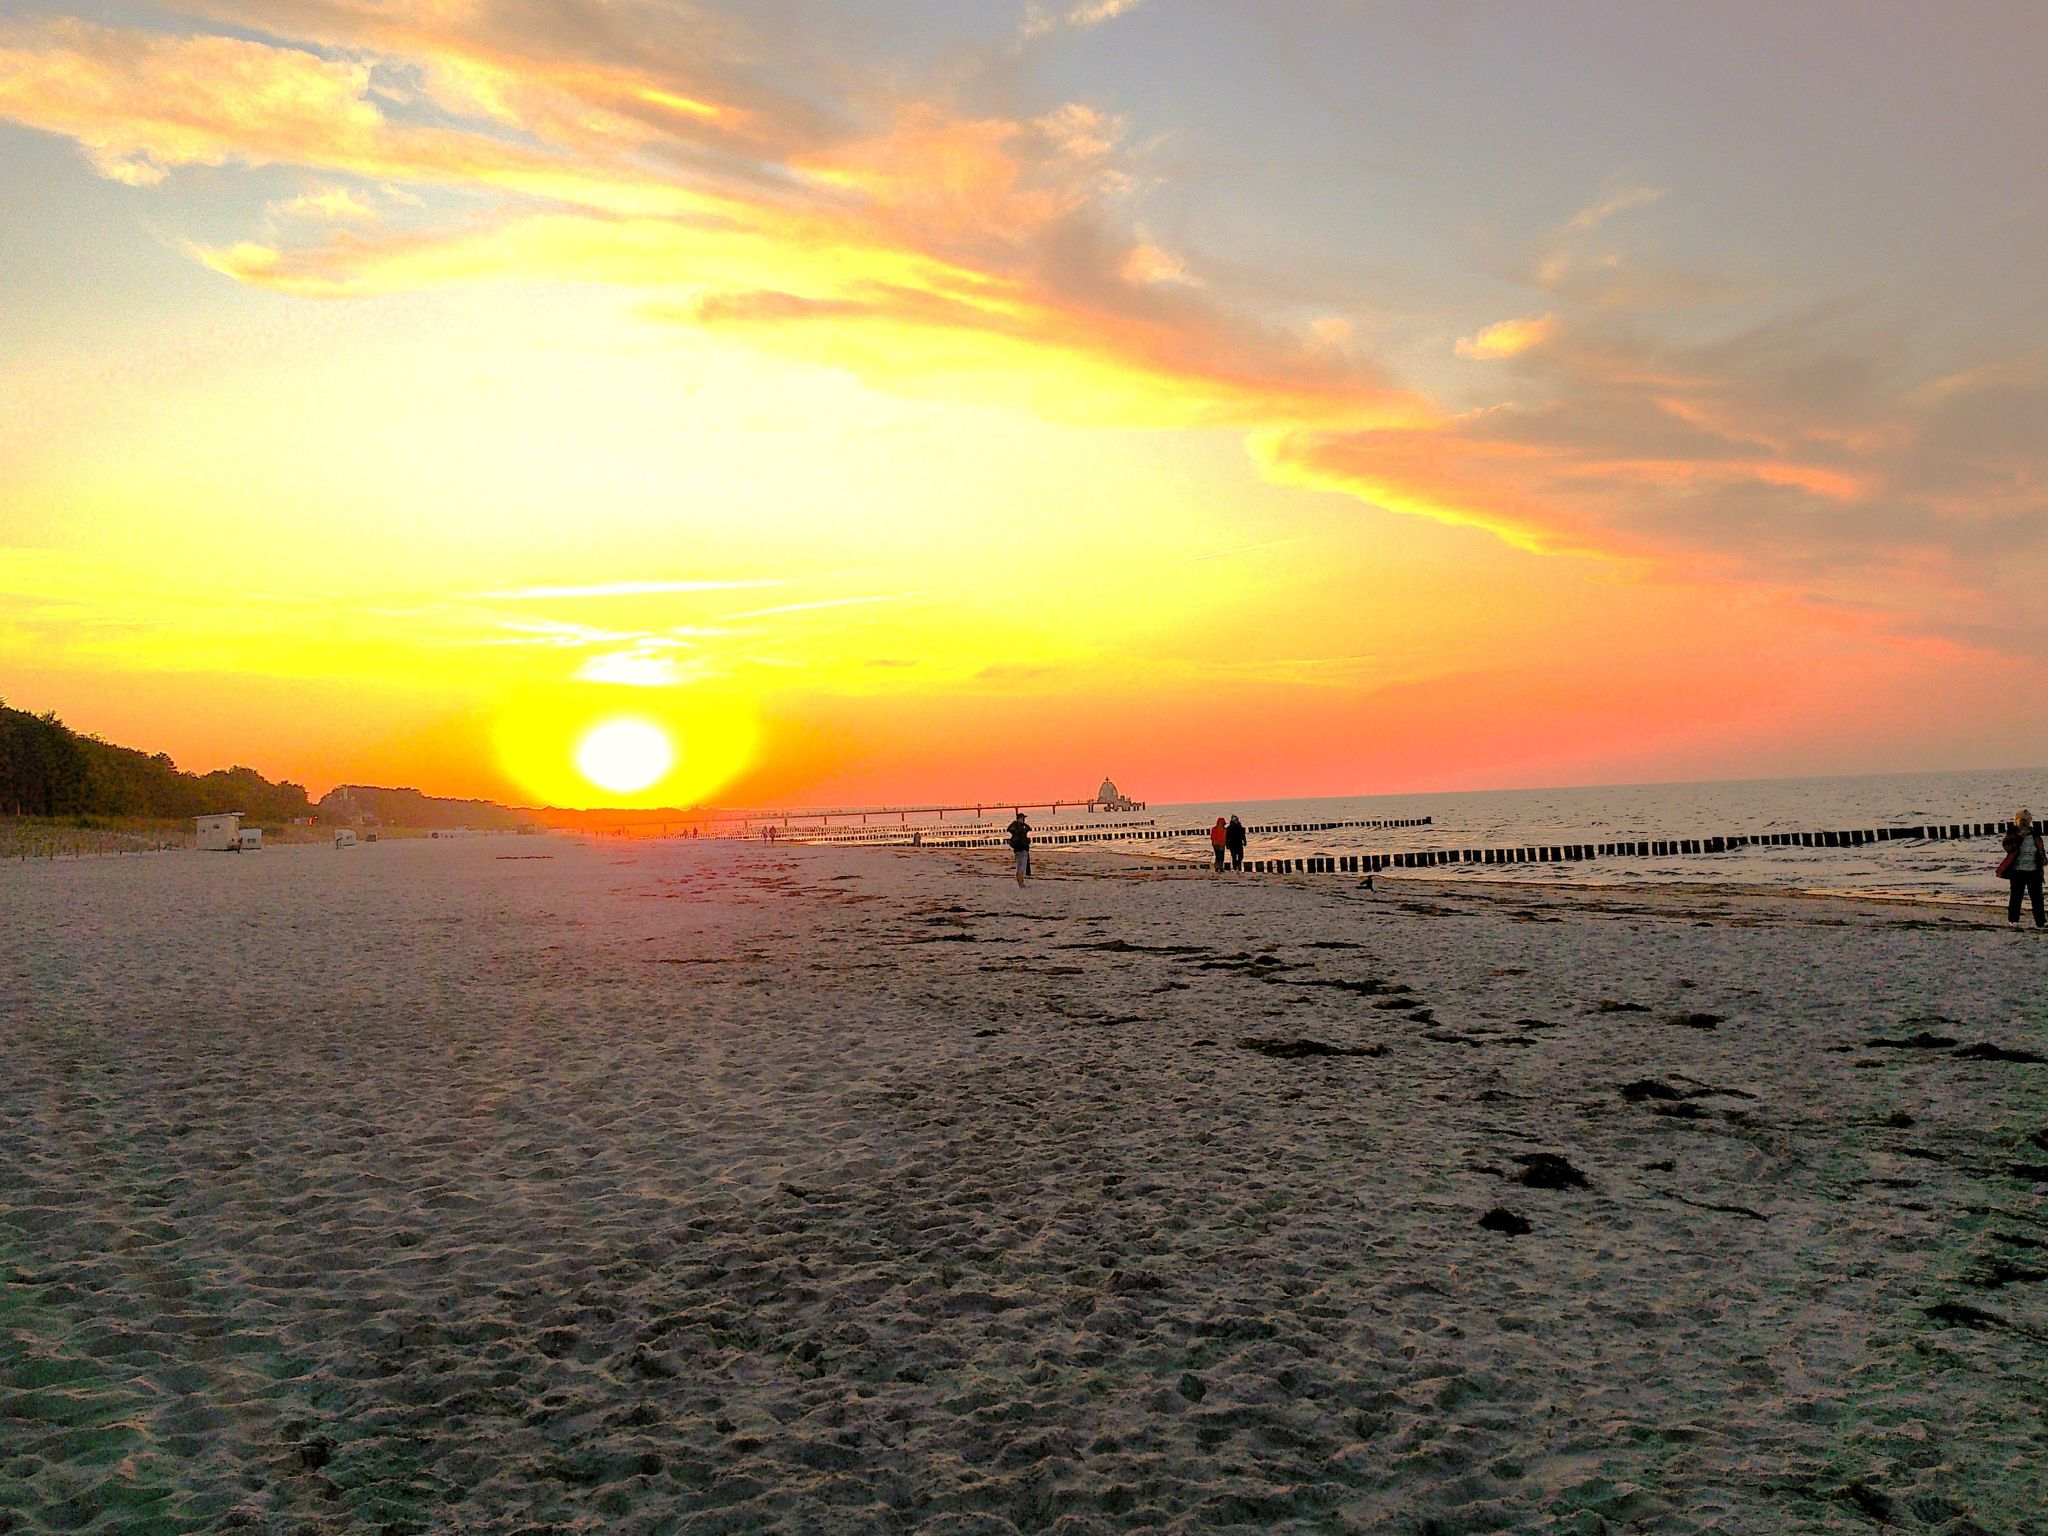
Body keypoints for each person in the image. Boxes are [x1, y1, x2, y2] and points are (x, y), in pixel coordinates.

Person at [2001, 809, 2045, 928]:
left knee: (2037, 898)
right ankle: (2013, 921)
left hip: (2034, 870)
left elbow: (2040, 848)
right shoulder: (2012, 833)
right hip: (2017, 871)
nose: (2025, 823)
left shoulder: (2035, 834)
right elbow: (2007, 847)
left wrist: (2043, 859)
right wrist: (2020, 837)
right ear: (2017, 821)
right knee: (2016, 896)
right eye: (2023, 820)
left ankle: (2041, 922)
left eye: (2027, 820)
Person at [1007, 811, 1032, 886]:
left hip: (1019, 849)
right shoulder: (1018, 828)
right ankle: (1021, 883)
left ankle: (1021, 883)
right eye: (1022, 818)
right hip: (1021, 849)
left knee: (1020, 867)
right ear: (1019, 819)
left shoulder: (1016, 827)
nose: (1024, 820)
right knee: (1021, 868)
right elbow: (1028, 828)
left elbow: (1028, 828)